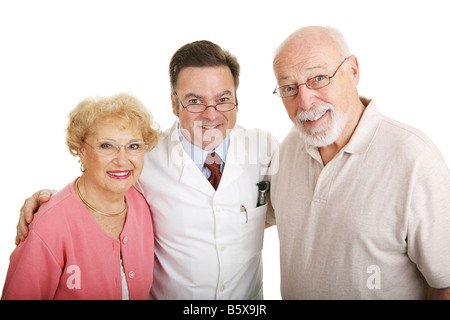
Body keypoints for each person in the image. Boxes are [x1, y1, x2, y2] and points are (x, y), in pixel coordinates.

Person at [15, 41, 278, 299]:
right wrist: (48, 203)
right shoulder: (144, 157)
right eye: (195, 101)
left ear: (236, 100)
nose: (211, 114)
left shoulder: (264, 148)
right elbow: (101, 188)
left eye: (223, 99)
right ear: (174, 104)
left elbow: (288, 209)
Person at [270, 25, 450, 299]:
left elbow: (444, 283)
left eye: (318, 78)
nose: (305, 101)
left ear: (353, 71)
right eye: (288, 88)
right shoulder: (288, 149)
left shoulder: (415, 159)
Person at [3, 93, 159, 299]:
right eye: (106, 146)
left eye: (133, 146)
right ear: (80, 150)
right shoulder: (49, 225)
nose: (122, 160)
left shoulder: (142, 204)